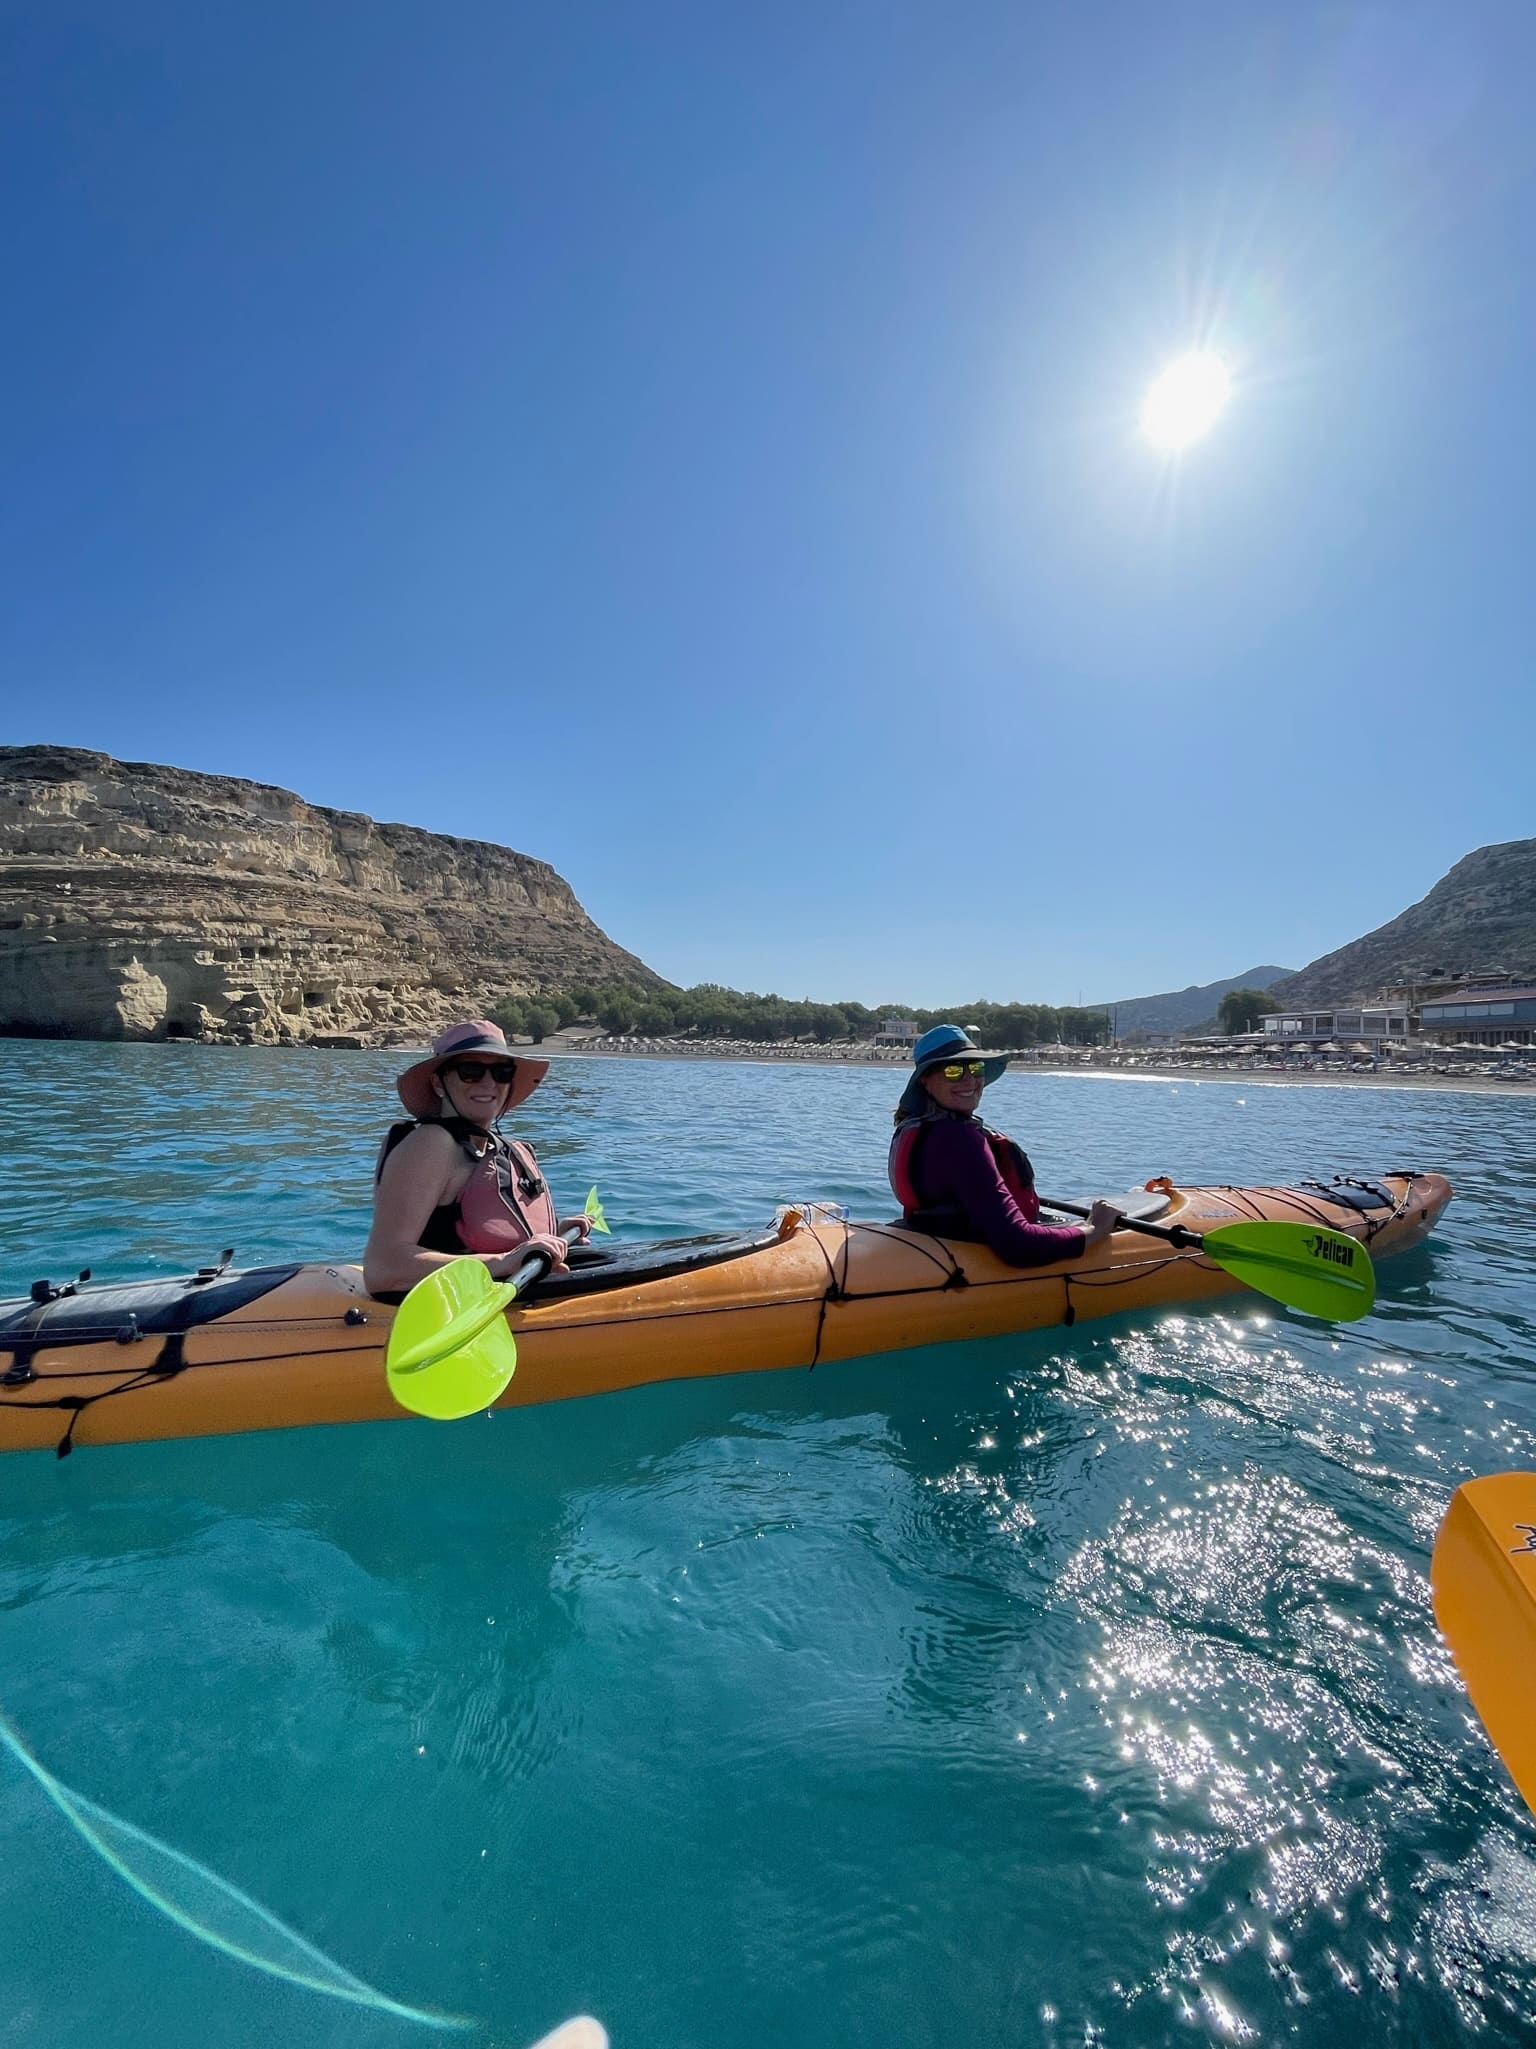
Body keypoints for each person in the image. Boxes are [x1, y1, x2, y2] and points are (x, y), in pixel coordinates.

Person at [364, 1020, 592, 1298]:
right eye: (470, 1071)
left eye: (501, 1071)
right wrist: (503, 1262)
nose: (488, 1083)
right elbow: (383, 1269)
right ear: (438, 1082)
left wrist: (551, 1234)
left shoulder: (485, 1146)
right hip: (437, 1310)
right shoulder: (431, 1144)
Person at [889, 1024, 1119, 1264]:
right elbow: (1017, 1245)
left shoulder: (917, 1126)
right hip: (966, 1257)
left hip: (938, 1246)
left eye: (976, 1068)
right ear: (925, 1081)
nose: (969, 1080)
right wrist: (1095, 1228)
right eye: (953, 1070)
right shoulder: (958, 1139)